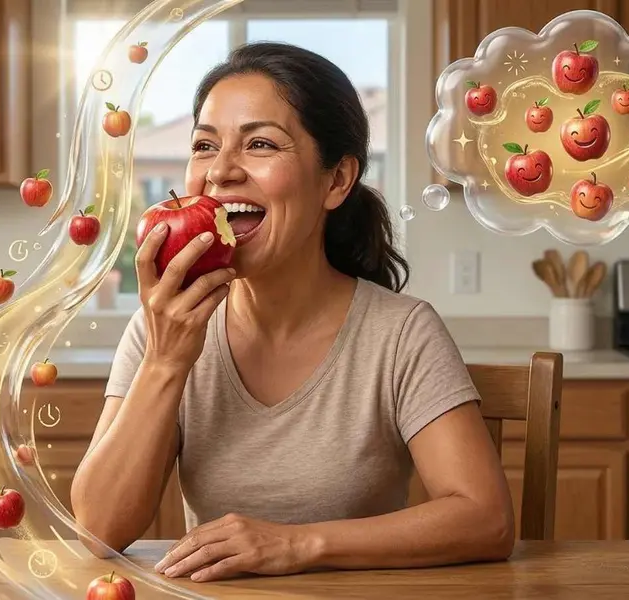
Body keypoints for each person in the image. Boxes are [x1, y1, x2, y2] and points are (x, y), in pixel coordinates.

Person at [71, 41, 515, 583]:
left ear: (337, 181)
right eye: (204, 146)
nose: (221, 173)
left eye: (259, 144)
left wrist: (297, 544)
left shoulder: (400, 333)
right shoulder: (164, 329)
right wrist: (166, 362)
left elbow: (485, 518)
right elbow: (100, 530)